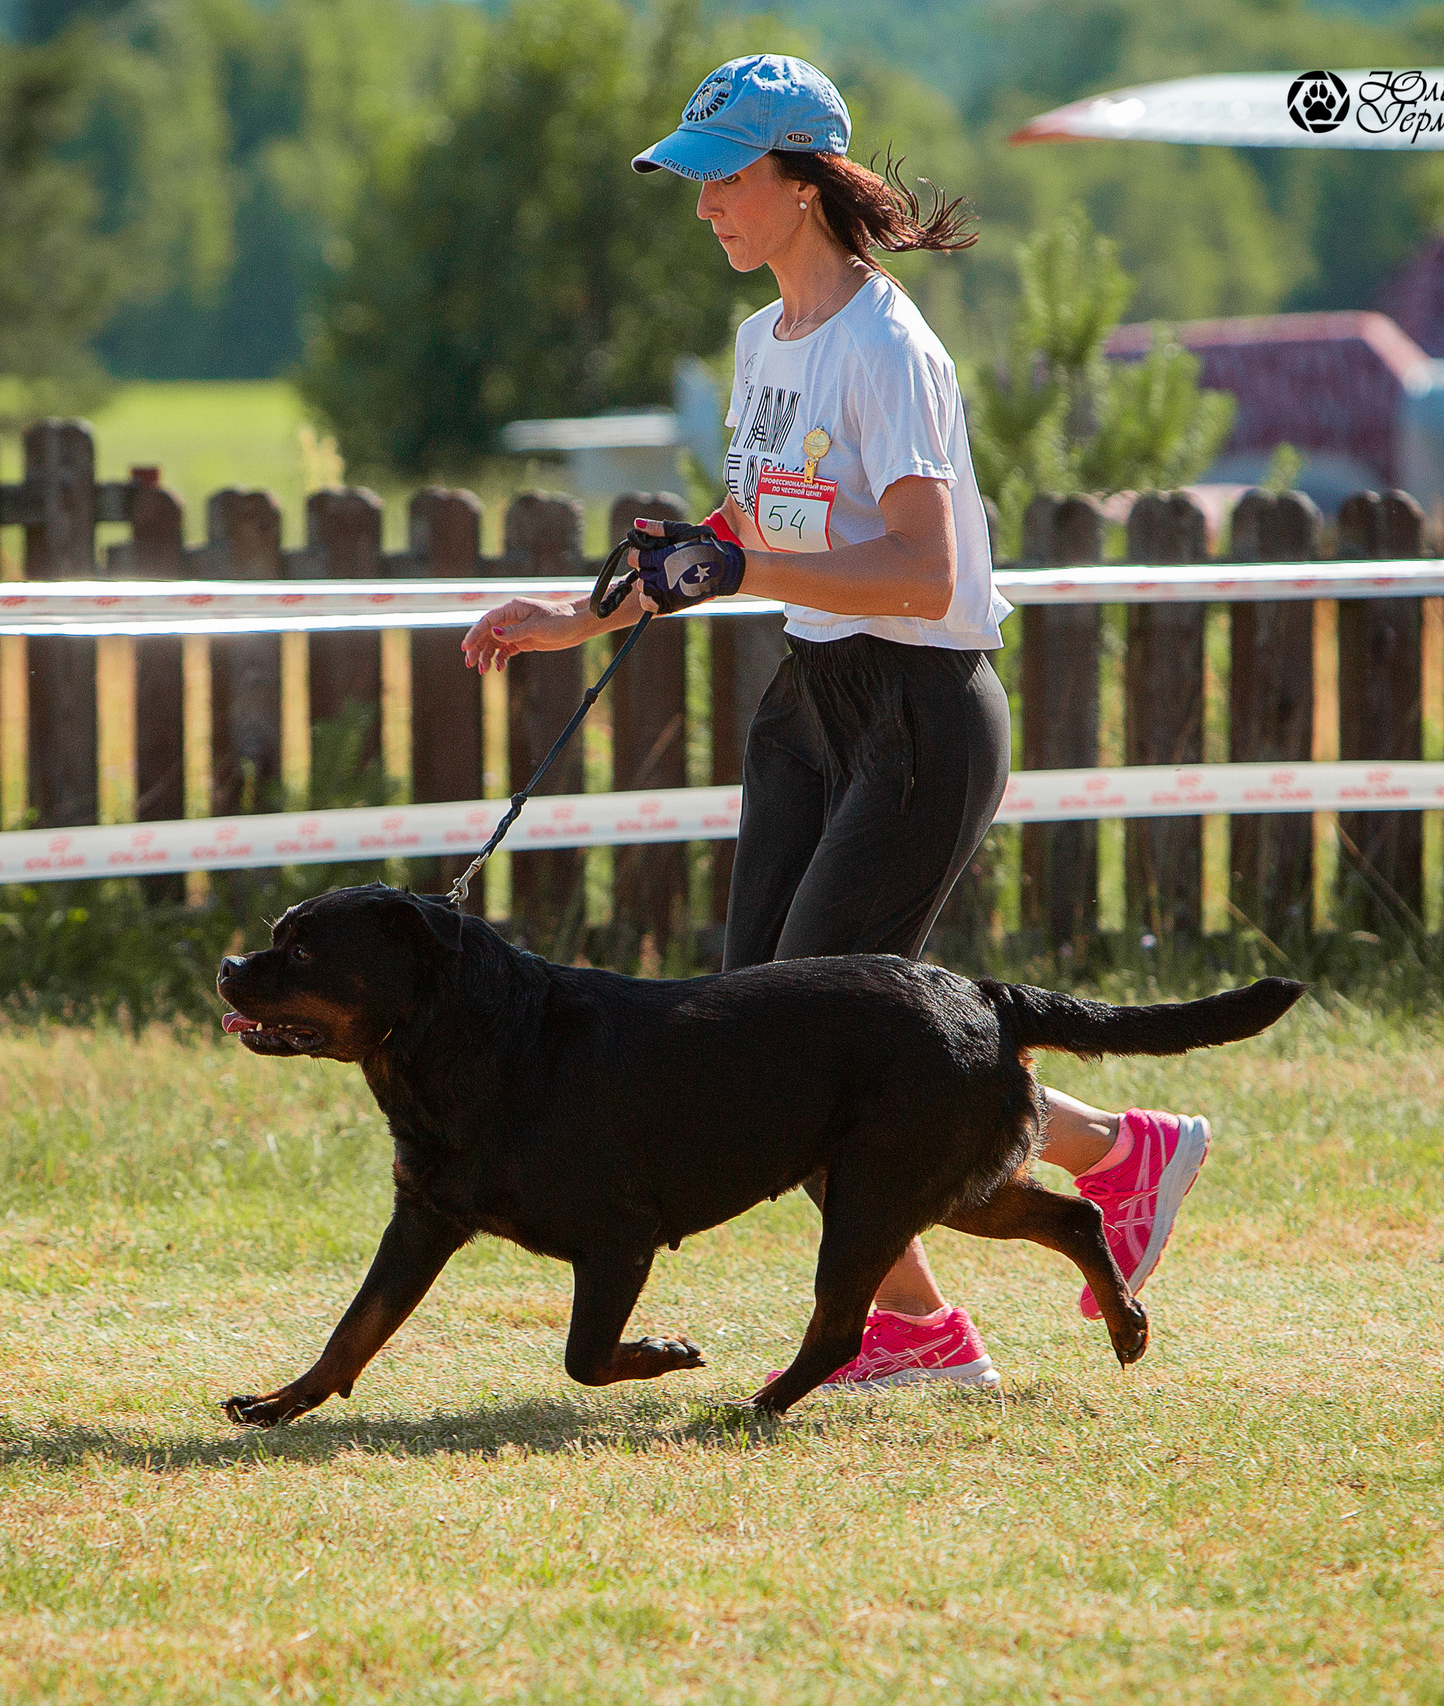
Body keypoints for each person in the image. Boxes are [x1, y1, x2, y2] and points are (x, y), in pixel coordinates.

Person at [458, 53, 1211, 1393]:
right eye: (694, 181)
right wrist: (580, 616)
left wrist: (750, 572)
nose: (702, 207)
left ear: (803, 182)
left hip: (920, 714)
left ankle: (920, 1325)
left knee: (809, 1067)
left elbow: (924, 567)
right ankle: (1102, 1161)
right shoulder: (764, 342)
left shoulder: (887, 346)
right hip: (809, 703)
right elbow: (753, 529)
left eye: (725, 178)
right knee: (748, 1047)